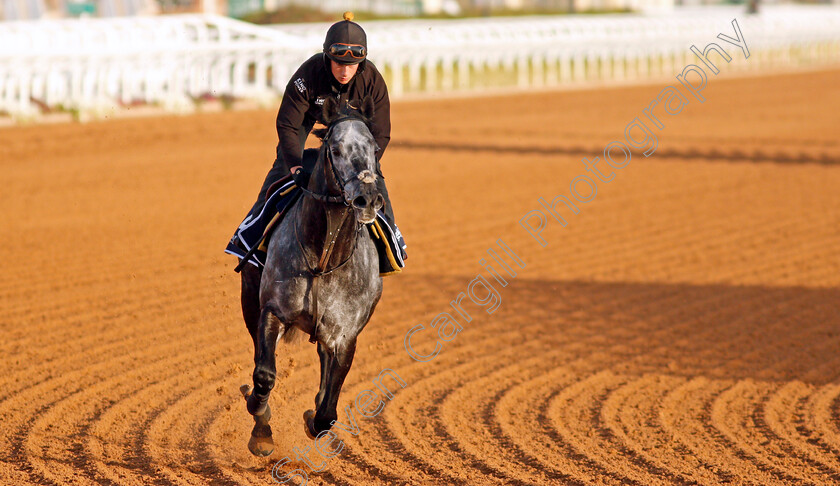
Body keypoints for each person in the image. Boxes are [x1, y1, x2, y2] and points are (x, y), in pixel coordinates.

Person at [226, 12, 405, 270]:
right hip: (306, 121)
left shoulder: (372, 81)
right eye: (338, 63)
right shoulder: (308, 75)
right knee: (280, 173)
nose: (345, 71)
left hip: (356, 135)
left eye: (351, 65)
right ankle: (250, 237)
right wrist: (295, 167)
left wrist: (365, 169)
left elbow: (381, 133)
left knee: (375, 184)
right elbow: (288, 124)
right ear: (327, 58)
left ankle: (390, 244)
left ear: (362, 64)